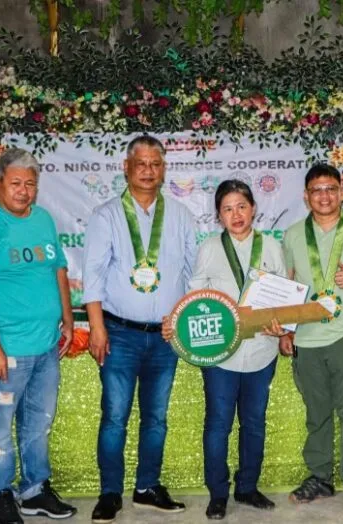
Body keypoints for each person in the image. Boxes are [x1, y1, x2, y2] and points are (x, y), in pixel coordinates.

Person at [82, 135, 197, 523]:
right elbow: (92, 276)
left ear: (164, 170)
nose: (148, 171)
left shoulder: (181, 216)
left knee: (156, 418)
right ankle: (110, 493)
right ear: (127, 168)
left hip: (165, 337)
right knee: (115, 416)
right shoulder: (106, 216)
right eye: (141, 164)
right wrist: (96, 328)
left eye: (155, 164)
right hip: (119, 334)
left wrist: (181, 316)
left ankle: (147, 486)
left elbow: (192, 275)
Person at [0, 147, 77, 524]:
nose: (23, 191)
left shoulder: (43, 220)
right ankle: (0, 495)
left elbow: (58, 270)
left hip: (46, 346)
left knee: (39, 422)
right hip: (6, 350)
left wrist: (67, 320)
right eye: (15, 183)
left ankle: (34, 490)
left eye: (30, 184)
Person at [160, 180, 287, 520]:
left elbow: (284, 294)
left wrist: (283, 325)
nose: (236, 214)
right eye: (228, 209)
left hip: (262, 350)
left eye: (242, 206)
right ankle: (218, 493)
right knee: (218, 424)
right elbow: (194, 297)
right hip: (220, 354)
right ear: (218, 215)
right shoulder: (210, 248)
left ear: (253, 209)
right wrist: (174, 321)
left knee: (254, 423)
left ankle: (247, 487)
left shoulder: (271, 246)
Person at [281, 163, 343, 512]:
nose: (324, 196)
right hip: (307, 339)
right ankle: (320, 478)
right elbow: (288, 287)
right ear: (306, 196)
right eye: (317, 190)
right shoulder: (292, 235)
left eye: (331, 189)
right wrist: (287, 329)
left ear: (341, 192)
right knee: (317, 413)